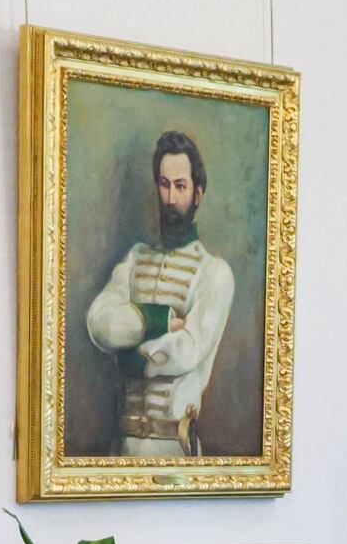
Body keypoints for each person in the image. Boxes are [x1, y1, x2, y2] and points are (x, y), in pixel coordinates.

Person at [80, 129, 240, 459]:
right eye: (164, 184)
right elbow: (99, 322)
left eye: (180, 187)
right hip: (121, 450)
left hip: (174, 451)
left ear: (198, 193)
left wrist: (127, 357)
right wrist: (160, 320)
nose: (170, 198)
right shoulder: (135, 258)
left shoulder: (215, 273)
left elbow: (187, 350)